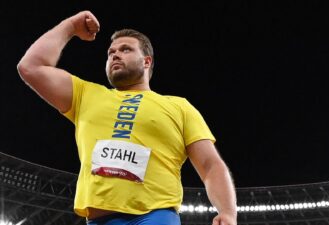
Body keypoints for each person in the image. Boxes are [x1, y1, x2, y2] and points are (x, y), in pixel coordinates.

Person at [17, 10, 237, 225]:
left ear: (147, 62)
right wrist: (71, 27)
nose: (115, 54)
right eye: (110, 52)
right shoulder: (86, 96)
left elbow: (210, 165)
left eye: (125, 49)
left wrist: (227, 212)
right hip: (98, 220)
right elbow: (31, 67)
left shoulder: (179, 107)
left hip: (155, 216)